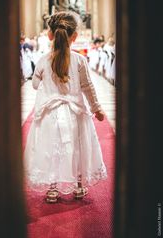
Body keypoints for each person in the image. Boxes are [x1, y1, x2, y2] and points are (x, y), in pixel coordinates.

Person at [24, 11, 107, 203]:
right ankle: (78, 185)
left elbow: (35, 85)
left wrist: (44, 80)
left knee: (51, 148)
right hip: (75, 113)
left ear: (49, 34)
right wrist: (97, 108)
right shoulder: (80, 60)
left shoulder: (44, 60)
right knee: (77, 147)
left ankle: (52, 188)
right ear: (75, 36)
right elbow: (88, 87)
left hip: (50, 114)